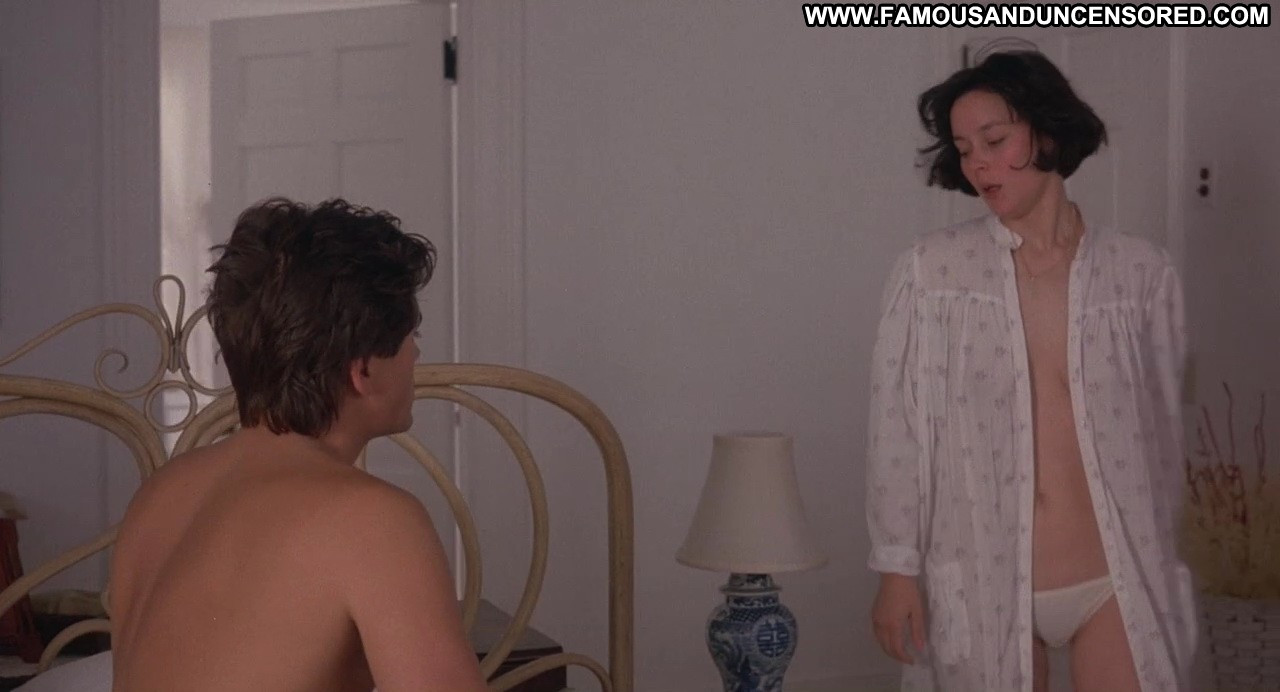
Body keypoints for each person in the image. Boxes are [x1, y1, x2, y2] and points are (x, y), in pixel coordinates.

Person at [865, 51, 1198, 691]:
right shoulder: (933, 274)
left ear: (1045, 132)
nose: (978, 165)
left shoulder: (1139, 274)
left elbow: (1163, 434)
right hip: (981, 572)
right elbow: (896, 433)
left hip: (1114, 576)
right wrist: (896, 572)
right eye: (965, 150)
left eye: (994, 141)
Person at [109, 198, 489, 692]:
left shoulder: (160, 493)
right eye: (410, 334)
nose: (416, 352)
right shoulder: (372, 520)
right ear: (363, 369)